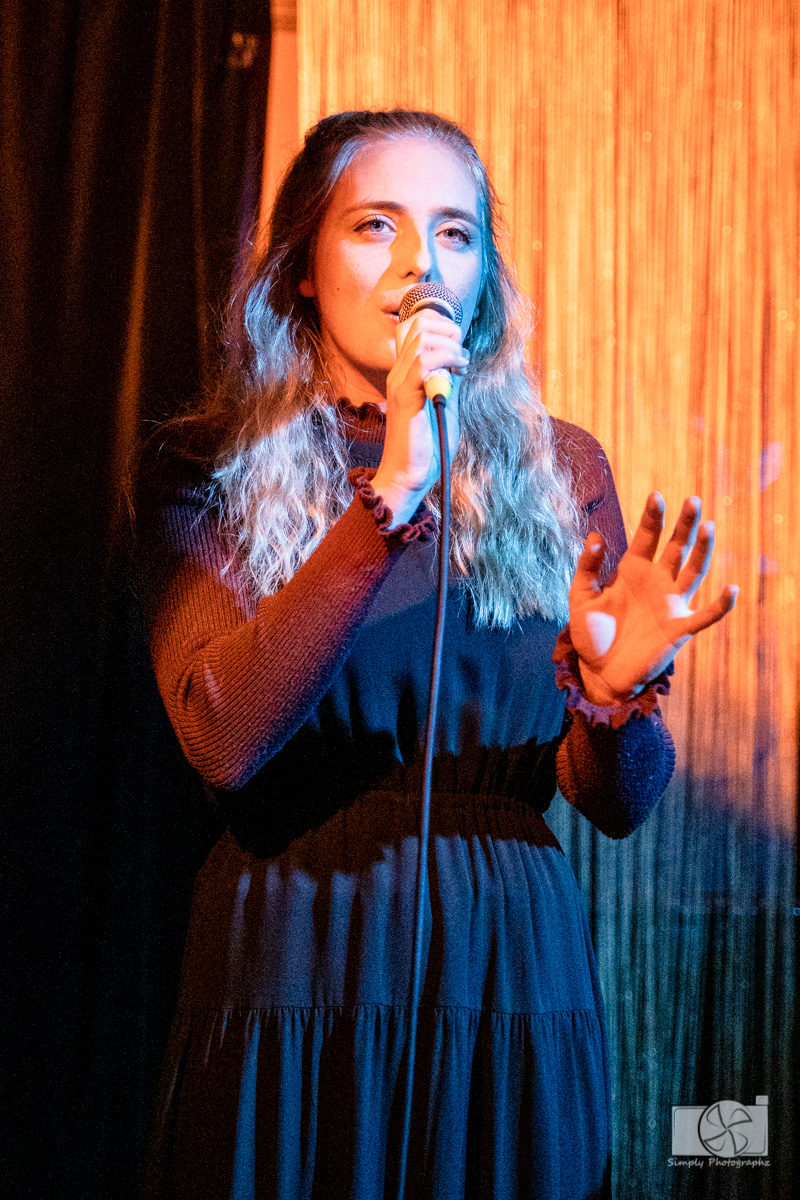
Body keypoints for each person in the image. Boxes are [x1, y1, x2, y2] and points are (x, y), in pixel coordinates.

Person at [137, 109, 736, 1200]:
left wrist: (614, 704)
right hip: (296, 944)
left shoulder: (559, 467)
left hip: (508, 957)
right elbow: (221, 737)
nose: (421, 262)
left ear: (482, 277)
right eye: (376, 224)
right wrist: (393, 494)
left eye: (455, 233)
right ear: (303, 267)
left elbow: (619, 804)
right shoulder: (208, 464)